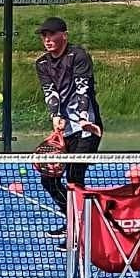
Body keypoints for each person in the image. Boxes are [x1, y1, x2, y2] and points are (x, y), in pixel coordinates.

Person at [34, 16, 103, 250]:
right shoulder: (42, 64)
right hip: (66, 132)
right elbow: (50, 92)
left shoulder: (78, 56)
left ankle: (78, 232)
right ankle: (71, 217)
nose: (47, 39)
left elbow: (83, 87)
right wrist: (56, 116)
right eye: (44, 36)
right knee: (49, 179)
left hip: (88, 129)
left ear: (64, 35)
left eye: (51, 34)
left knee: (74, 179)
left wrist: (83, 118)